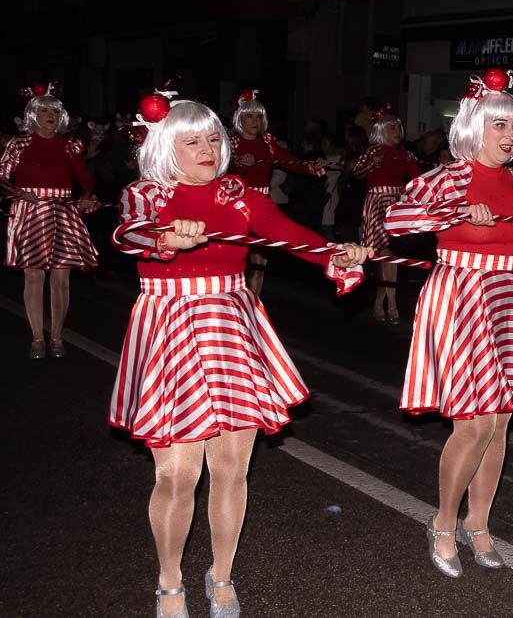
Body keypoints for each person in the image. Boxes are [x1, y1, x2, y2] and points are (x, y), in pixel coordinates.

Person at [110, 98, 368, 618]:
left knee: (231, 468)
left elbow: (289, 234)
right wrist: (163, 237)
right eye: (192, 141)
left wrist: (334, 252)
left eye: (212, 139)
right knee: (177, 475)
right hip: (170, 328)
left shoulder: (237, 193)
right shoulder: (146, 195)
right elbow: (127, 233)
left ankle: (221, 575)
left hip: (230, 324)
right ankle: (169, 581)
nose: (207, 150)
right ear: (166, 146)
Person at [382, 68, 513, 577]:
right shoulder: (448, 176)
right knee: (472, 424)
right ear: (475, 126)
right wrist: (453, 211)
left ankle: (479, 525)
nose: (509, 136)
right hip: (459, 294)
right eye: (499, 126)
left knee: (499, 424)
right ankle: (443, 524)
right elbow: (397, 220)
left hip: (507, 296)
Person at [2, 82, 99, 359]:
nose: (50, 115)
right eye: (44, 110)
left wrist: (87, 196)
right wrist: (17, 192)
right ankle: (36, 338)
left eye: (54, 111)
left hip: (62, 212)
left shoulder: (69, 146)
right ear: (33, 114)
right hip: (30, 213)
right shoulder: (19, 144)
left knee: (61, 279)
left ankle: (56, 337)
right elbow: (2, 176)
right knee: (34, 277)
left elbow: (86, 180)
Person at [227, 90, 328, 295]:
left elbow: (292, 163)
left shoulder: (267, 144)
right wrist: (238, 163)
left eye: (259, 116)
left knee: (260, 263)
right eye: (249, 116)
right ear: (239, 118)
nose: (255, 120)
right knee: (234, 259)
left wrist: (313, 166)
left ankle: (254, 308)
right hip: (236, 205)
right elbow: (221, 171)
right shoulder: (231, 144)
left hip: (262, 206)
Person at [353, 107, 421, 323]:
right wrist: (372, 164)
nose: (396, 131)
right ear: (381, 130)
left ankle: (379, 305)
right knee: (386, 253)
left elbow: (418, 178)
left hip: (398, 205)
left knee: (390, 255)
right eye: (391, 127)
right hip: (377, 203)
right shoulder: (374, 151)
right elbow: (357, 172)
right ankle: (391, 306)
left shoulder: (405, 154)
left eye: (398, 127)